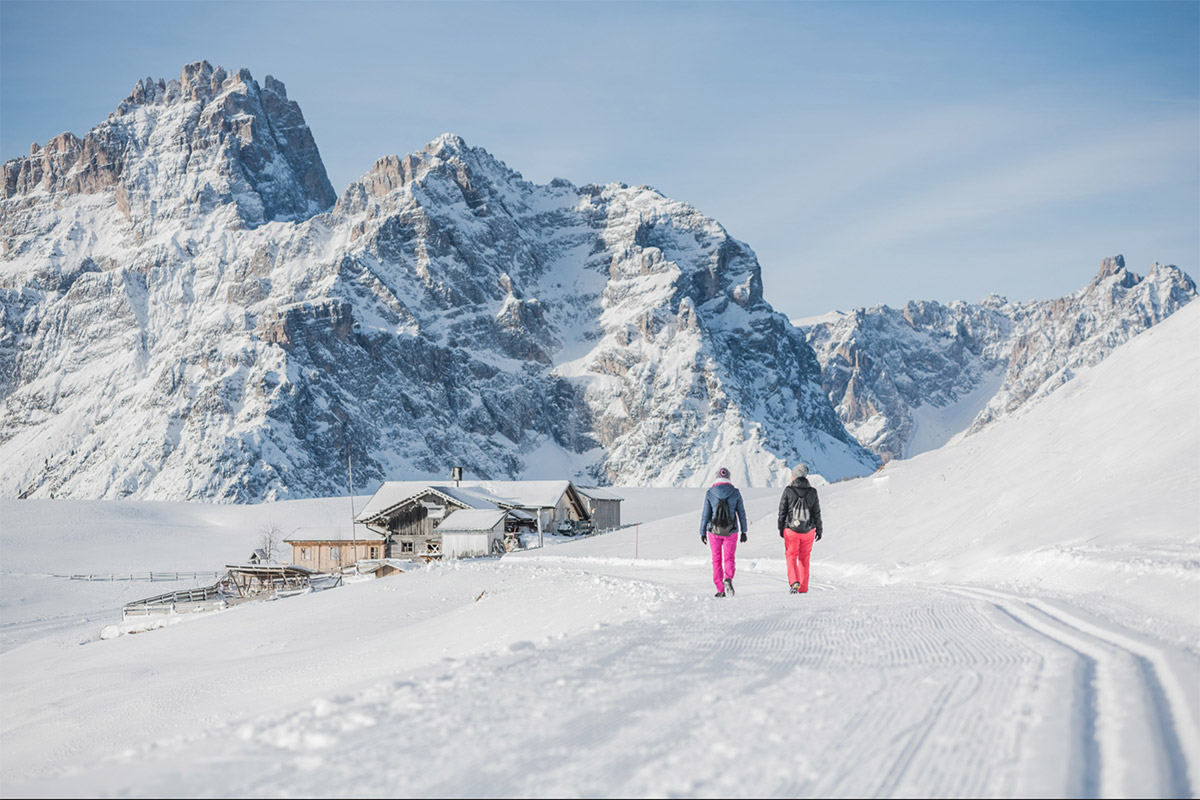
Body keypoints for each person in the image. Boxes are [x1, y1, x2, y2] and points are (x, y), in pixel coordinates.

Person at [700, 466, 748, 598]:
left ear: (717, 477)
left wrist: (702, 531)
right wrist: (744, 531)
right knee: (729, 557)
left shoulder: (710, 493)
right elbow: (741, 513)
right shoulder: (735, 492)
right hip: (731, 531)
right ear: (729, 477)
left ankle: (720, 589)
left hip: (713, 531)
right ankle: (728, 578)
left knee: (716, 559)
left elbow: (706, 514)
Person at [777, 463, 823, 594]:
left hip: (791, 530)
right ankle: (803, 588)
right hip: (808, 531)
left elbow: (782, 511)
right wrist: (819, 529)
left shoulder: (788, 490)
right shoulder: (813, 491)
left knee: (791, 556)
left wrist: (781, 527)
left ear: (795, 476)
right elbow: (817, 512)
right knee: (804, 558)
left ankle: (794, 582)